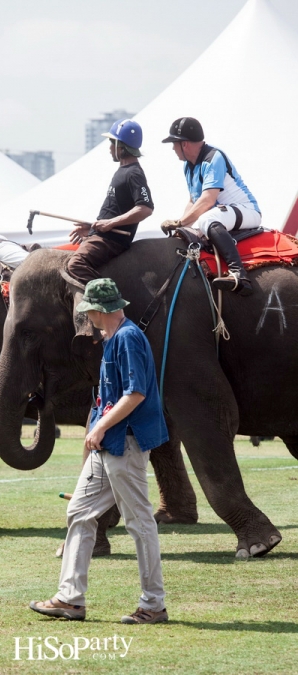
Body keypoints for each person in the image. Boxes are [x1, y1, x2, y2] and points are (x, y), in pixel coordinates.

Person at [30, 278, 169, 624]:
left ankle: (153, 605)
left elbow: (136, 394)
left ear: (96, 310)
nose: (86, 317)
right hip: (109, 445)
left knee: (139, 523)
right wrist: (99, 425)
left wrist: (101, 426)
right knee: (79, 512)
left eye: (87, 311)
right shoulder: (113, 338)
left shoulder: (127, 338)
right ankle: (69, 599)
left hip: (126, 443)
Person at [63, 119, 154, 341]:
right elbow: (112, 211)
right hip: (103, 235)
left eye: (112, 142)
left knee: (75, 264)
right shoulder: (122, 170)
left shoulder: (133, 173)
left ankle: (109, 311)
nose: (109, 148)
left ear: (122, 147)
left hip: (112, 240)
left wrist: (110, 225)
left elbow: (145, 208)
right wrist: (92, 227)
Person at [161, 117, 262, 296]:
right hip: (223, 213)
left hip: (247, 210)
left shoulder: (213, 157)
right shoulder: (188, 165)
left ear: (184, 144)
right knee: (191, 228)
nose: (172, 148)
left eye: (174, 143)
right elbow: (194, 201)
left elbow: (207, 200)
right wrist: (182, 227)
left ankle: (238, 273)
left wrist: (179, 221)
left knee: (207, 218)